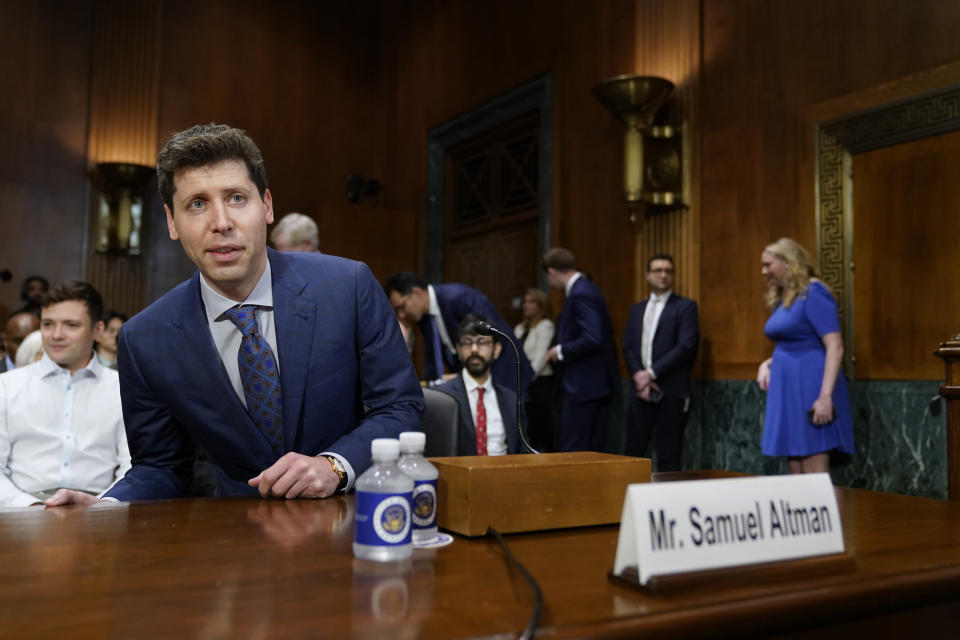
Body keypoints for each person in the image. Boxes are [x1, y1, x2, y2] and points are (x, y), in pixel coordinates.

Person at [47, 123, 423, 506]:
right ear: (172, 222)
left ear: (268, 206)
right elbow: (161, 466)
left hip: (352, 518)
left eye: (237, 198)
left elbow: (400, 408)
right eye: (197, 204)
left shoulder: (347, 287)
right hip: (234, 535)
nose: (221, 222)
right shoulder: (146, 338)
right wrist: (108, 507)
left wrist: (336, 466)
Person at [0, 281, 130, 507]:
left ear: (97, 330)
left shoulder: (122, 388)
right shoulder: (7, 386)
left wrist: (100, 505)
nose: (56, 335)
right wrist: (32, 507)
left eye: (71, 325)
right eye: (48, 324)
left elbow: (133, 466)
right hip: (20, 511)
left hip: (98, 511)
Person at [756, 238, 854, 473]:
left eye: (768, 264)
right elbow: (795, 342)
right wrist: (768, 363)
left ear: (788, 262)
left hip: (811, 385)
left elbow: (835, 346)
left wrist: (825, 397)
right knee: (796, 470)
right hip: (788, 387)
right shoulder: (785, 298)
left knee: (813, 473)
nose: (764, 271)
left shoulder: (813, 292)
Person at [384, 271, 533, 394]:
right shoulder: (424, 317)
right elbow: (433, 357)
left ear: (416, 293)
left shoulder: (459, 298)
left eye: (401, 306)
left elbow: (491, 340)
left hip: (506, 377)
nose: (401, 314)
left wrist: (463, 377)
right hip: (475, 383)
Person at [622, 253, 699, 471]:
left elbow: (685, 346)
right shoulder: (636, 309)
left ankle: (668, 504)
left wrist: (651, 373)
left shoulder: (685, 307)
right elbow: (628, 346)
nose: (663, 275)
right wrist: (640, 376)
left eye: (668, 271)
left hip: (671, 391)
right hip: (640, 391)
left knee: (669, 454)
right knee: (633, 452)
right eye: (657, 270)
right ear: (648, 275)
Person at [543, 247, 617, 452]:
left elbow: (593, 337)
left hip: (583, 387)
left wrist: (559, 351)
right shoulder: (586, 289)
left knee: (576, 452)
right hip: (590, 386)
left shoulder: (580, 293)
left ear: (551, 272)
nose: (550, 284)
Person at [435, 315, 524, 455]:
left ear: (496, 350)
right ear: (458, 350)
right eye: (468, 342)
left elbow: (522, 452)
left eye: (482, 342)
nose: (474, 349)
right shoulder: (442, 398)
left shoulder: (512, 400)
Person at [513, 288, 555, 450]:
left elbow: (540, 360)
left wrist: (525, 378)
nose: (526, 305)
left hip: (539, 385)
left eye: (531, 302)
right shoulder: (519, 328)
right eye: (525, 301)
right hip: (522, 383)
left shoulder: (545, 326)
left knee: (539, 428)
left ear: (540, 305)